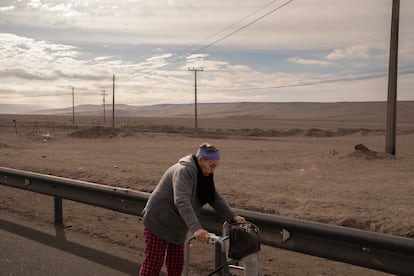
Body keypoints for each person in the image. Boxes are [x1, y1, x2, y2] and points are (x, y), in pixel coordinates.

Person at [139, 143, 245, 276]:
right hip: (159, 221)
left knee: (176, 266)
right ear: (201, 160)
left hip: (177, 226)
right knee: (153, 264)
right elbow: (181, 200)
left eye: (215, 167)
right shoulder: (184, 171)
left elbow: (213, 197)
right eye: (211, 166)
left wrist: (232, 216)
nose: (212, 171)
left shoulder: (204, 175)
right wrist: (197, 229)